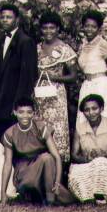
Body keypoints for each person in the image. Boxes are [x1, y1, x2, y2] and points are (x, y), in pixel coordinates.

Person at [0, 97, 73, 206]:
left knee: (47, 158)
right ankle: (36, 194)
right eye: (21, 112)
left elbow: (56, 157)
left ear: (34, 113)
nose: (25, 116)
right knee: (43, 162)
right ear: (15, 112)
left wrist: (57, 183)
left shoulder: (40, 127)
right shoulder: (10, 133)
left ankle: (49, 199)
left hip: (45, 168)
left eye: (29, 112)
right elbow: (7, 164)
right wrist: (3, 194)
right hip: (24, 170)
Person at [0, 2, 38, 139]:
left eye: (8, 17)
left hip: (14, 106)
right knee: (0, 142)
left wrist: (18, 106)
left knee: (16, 143)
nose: (5, 20)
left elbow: (28, 77)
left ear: (17, 20)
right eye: (2, 17)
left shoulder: (25, 42)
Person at [34, 11, 77, 163]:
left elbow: (73, 76)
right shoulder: (37, 48)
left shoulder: (65, 49)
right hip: (39, 97)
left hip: (56, 97)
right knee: (40, 129)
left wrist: (54, 77)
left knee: (57, 132)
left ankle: (59, 171)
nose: (48, 31)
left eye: (52, 28)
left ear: (58, 29)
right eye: (45, 28)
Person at [68, 95, 107, 203]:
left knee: (100, 163)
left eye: (94, 108)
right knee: (75, 171)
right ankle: (88, 198)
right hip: (87, 164)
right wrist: (88, 160)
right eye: (87, 110)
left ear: (101, 108)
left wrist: (103, 156)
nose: (91, 113)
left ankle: (102, 195)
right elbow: (74, 155)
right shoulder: (79, 128)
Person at [76, 10, 107, 121]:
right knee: (86, 119)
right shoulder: (83, 44)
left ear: (99, 29)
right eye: (87, 26)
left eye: (93, 27)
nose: (89, 29)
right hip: (87, 85)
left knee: (104, 117)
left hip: (102, 85)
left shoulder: (103, 44)